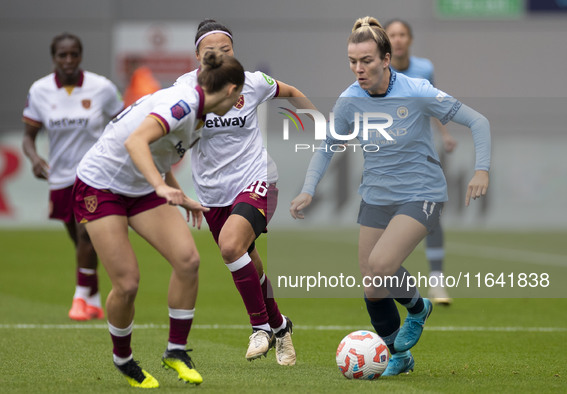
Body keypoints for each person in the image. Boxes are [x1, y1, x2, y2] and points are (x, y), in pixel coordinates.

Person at [290, 17, 490, 376]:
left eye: (366, 60)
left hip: (422, 192)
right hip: (376, 197)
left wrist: (482, 169)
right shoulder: (350, 99)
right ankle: (400, 357)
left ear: (386, 58)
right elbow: (326, 147)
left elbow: (479, 122)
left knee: (381, 266)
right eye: (352, 61)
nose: (358, 69)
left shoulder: (417, 90)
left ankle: (417, 308)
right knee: (371, 283)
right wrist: (308, 189)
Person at [73, 50, 245, 388]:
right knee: (127, 283)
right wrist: (160, 188)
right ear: (230, 91)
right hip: (100, 186)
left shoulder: (200, 113)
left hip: (141, 185)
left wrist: (179, 195)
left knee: (188, 260)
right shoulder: (181, 106)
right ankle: (123, 359)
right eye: (240, 96)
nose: (240, 103)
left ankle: (175, 352)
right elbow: (137, 141)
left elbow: (160, 152)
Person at [175, 19, 315, 365]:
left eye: (227, 49)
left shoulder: (250, 82)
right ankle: (281, 326)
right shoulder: (183, 89)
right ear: (197, 56)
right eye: (212, 51)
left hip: (257, 180)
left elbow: (291, 92)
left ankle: (261, 329)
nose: (221, 56)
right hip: (212, 194)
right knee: (246, 260)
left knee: (230, 246)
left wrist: (319, 124)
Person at [22, 32, 124, 321]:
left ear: (81, 55)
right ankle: (92, 299)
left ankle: (80, 297)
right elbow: (28, 137)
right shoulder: (40, 91)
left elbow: (124, 121)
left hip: (94, 174)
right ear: (53, 58)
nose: (68, 60)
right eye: (62, 55)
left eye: (74, 54)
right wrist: (35, 158)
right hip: (60, 178)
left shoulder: (101, 87)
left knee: (86, 233)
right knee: (80, 240)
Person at [385, 19, 456, 305]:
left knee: (432, 215)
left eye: (403, 34)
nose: (398, 39)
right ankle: (387, 277)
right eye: (393, 35)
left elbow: (433, 104)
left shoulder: (424, 69)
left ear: (410, 39)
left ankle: (436, 282)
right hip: (388, 160)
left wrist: (445, 133)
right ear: (385, 41)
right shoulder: (377, 71)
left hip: (422, 157)